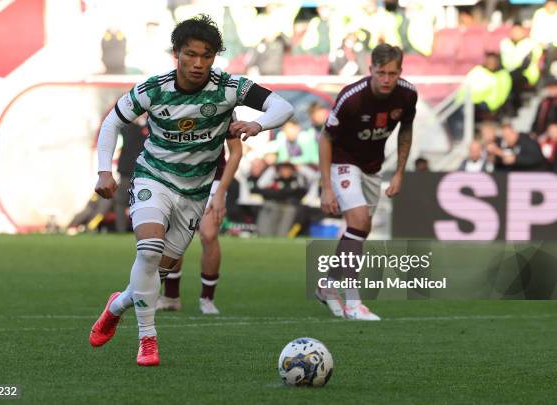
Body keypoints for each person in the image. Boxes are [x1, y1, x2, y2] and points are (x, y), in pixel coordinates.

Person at [88, 14, 293, 367]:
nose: (198, 63)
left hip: (195, 192)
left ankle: (117, 305)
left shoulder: (230, 87)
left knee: (157, 272)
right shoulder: (153, 89)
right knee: (149, 251)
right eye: (190, 55)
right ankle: (148, 341)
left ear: (215, 57)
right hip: (154, 177)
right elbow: (112, 121)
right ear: (176, 54)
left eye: (207, 55)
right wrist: (104, 171)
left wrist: (257, 124)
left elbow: (283, 106)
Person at [316, 43, 417, 321]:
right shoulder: (351, 98)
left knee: (358, 230)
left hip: (373, 167)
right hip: (343, 162)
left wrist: (399, 172)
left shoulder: (408, 95)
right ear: (370, 69)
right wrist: (326, 186)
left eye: (392, 73)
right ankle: (353, 304)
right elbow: (325, 138)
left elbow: (405, 129)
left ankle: (326, 286)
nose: (386, 79)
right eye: (381, 72)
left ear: (400, 72)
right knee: (359, 222)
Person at [157, 134, 243, 314]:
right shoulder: (171, 105)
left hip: (212, 180)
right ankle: (171, 296)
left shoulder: (224, 105)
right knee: (174, 234)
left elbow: (236, 151)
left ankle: (207, 298)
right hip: (175, 176)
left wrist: (221, 192)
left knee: (209, 234)